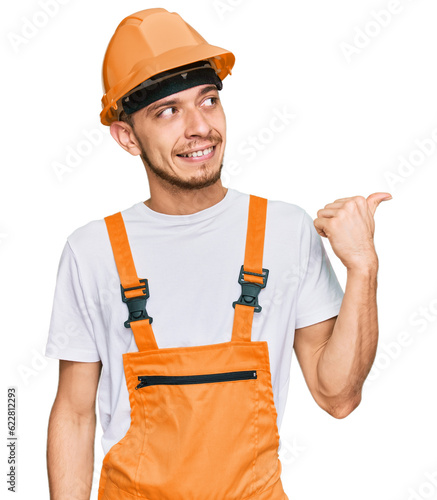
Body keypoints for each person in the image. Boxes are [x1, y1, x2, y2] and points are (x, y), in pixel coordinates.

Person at [45, 7, 391, 500]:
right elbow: (74, 414)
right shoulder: (92, 251)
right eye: (167, 111)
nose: (198, 127)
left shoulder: (284, 230)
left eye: (207, 101)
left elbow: (338, 396)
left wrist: (363, 267)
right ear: (126, 137)